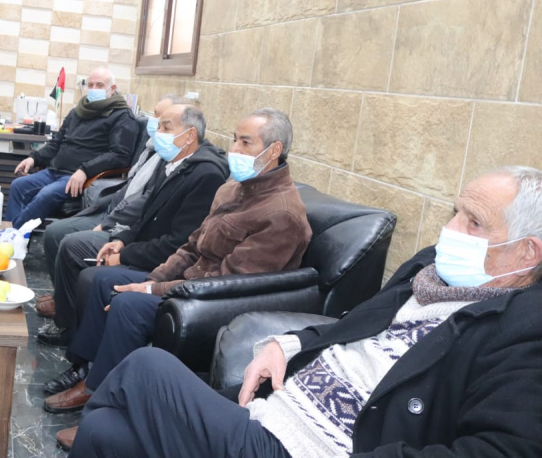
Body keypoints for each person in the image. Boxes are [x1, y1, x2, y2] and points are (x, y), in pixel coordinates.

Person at [70, 166, 542, 458]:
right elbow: (354, 322)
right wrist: (290, 342)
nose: (450, 230)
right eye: (455, 211)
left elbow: (502, 448)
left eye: (473, 222)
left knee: (145, 367)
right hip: (275, 412)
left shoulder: (525, 328)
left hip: (306, 447)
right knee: (103, 430)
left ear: (527, 252)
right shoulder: (429, 273)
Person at [47, 109, 312, 447]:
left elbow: (229, 282)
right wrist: (153, 279)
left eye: (246, 143)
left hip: (217, 304)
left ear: (273, 150)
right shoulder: (233, 189)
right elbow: (191, 246)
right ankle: (89, 372)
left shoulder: (281, 214)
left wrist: (151, 289)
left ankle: (103, 402)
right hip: (191, 284)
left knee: (128, 305)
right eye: (234, 140)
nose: (234, 150)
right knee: (103, 281)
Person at [37, 103, 229, 350]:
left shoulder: (206, 175)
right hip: (141, 244)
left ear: (190, 135)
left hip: (163, 261)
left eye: (166, 127)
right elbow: (145, 214)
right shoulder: (172, 161)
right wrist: (122, 240)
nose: (158, 133)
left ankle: (80, 347)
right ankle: (69, 325)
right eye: (158, 125)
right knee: (71, 246)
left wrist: (124, 255)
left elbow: (178, 243)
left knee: (90, 273)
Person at [36, 94, 184, 318]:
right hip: (113, 209)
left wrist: (110, 224)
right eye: (155, 116)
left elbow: (143, 203)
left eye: (164, 123)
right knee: (52, 229)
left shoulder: (171, 160)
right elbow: (130, 186)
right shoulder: (151, 149)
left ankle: (66, 309)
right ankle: (63, 297)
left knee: (60, 235)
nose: (154, 122)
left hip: (124, 223)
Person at [6, 67, 138, 228]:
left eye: (100, 85)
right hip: (54, 171)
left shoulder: (122, 116)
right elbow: (56, 143)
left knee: (45, 195)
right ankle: (14, 235)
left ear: (112, 89)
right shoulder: (78, 112)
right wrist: (34, 158)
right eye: (91, 85)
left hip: (82, 177)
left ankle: (11, 233)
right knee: (18, 185)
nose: (94, 89)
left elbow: (120, 155)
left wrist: (85, 170)